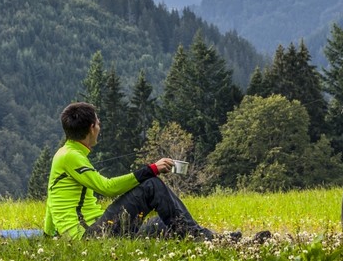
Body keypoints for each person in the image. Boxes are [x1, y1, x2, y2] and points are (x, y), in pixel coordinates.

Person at [43, 102, 222, 241]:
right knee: (151, 185)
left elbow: (52, 199)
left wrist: (48, 235)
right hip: (89, 236)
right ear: (92, 127)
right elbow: (107, 187)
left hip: (96, 229)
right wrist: (151, 169)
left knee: (161, 223)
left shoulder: (65, 154)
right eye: (98, 123)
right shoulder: (71, 156)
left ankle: (212, 238)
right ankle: (201, 238)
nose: (99, 127)